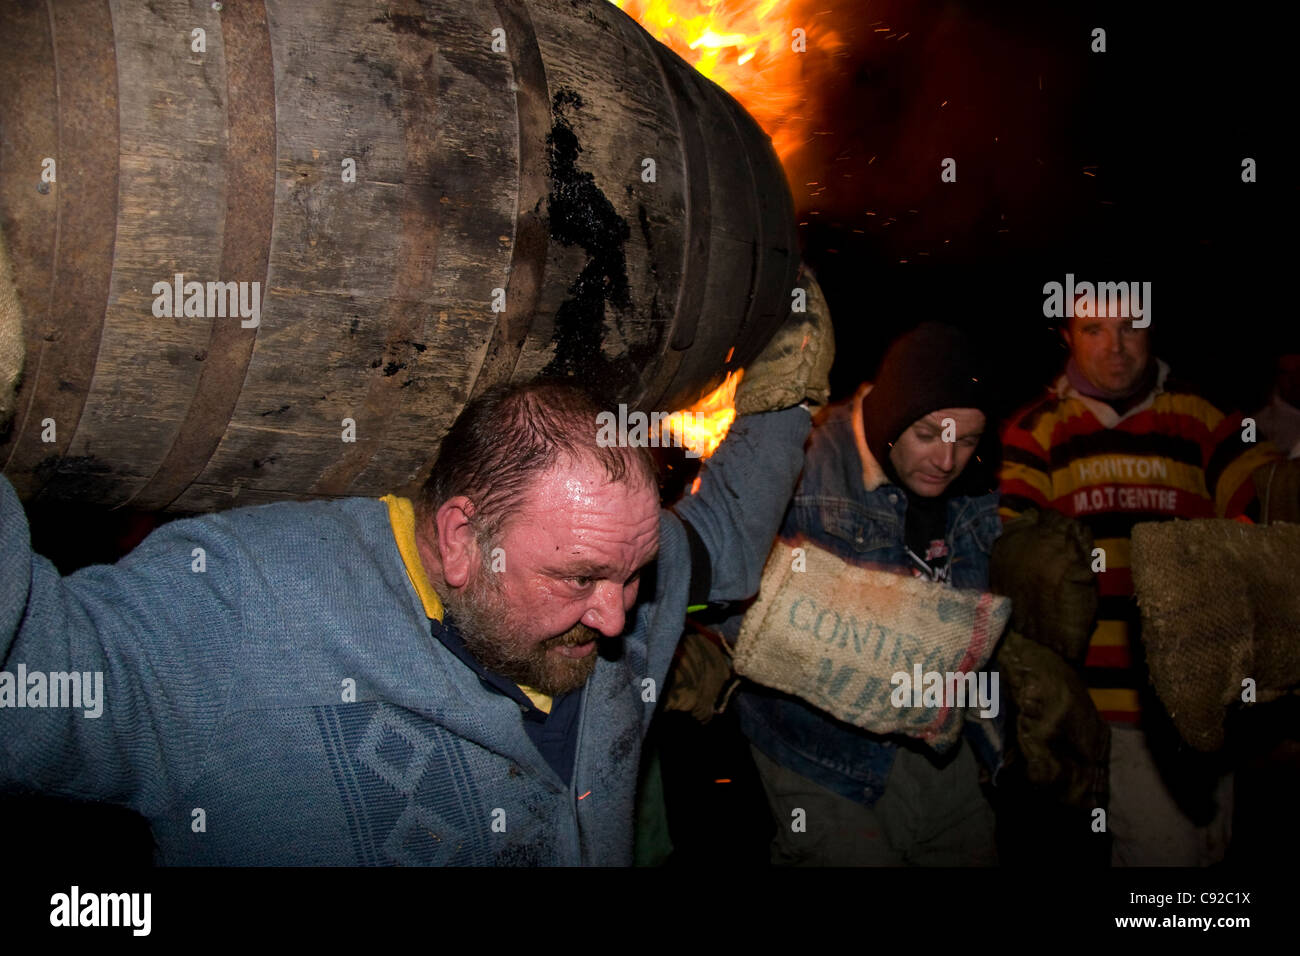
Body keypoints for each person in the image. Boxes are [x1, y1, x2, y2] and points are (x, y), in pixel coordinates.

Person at [0, 312, 830, 865]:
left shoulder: (613, 561)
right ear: (463, 539)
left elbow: (721, 539)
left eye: (633, 573)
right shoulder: (243, 607)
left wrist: (787, 394)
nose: (618, 618)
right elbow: (28, 687)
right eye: (578, 578)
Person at [998, 300, 1281, 865]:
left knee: (1212, 850)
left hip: (1209, 696)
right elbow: (1014, 564)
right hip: (1111, 709)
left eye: (1131, 327)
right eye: (1094, 329)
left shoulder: (1204, 416)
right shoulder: (1035, 431)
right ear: (1067, 336)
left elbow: (1267, 501)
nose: (1116, 347)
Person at [731, 321, 1004, 866]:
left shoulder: (975, 480)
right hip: (818, 754)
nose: (946, 461)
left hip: (940, 754)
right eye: (927, 435)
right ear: (891, 415)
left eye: (966, 441)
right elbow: (722, 588)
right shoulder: (801, 458)